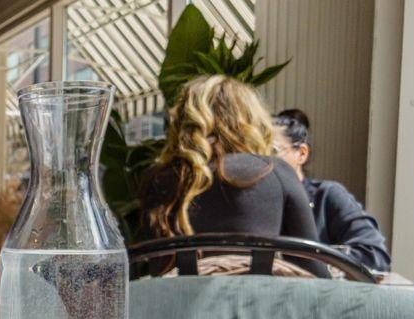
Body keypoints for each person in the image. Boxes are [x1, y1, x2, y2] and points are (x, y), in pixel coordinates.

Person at [140, 75, 329, 277]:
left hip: (178, 305)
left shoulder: (159, 180)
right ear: (251, 120)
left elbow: (159, 270)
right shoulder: (276, 172)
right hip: (257, 305)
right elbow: (313, 269)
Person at [272, 109, 391, 272]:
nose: (263, 160)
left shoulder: (327, 196)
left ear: (301, 153)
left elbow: (374, 255)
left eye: (272, 151)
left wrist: (314, 263)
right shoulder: (251, 202)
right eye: (255, 152)